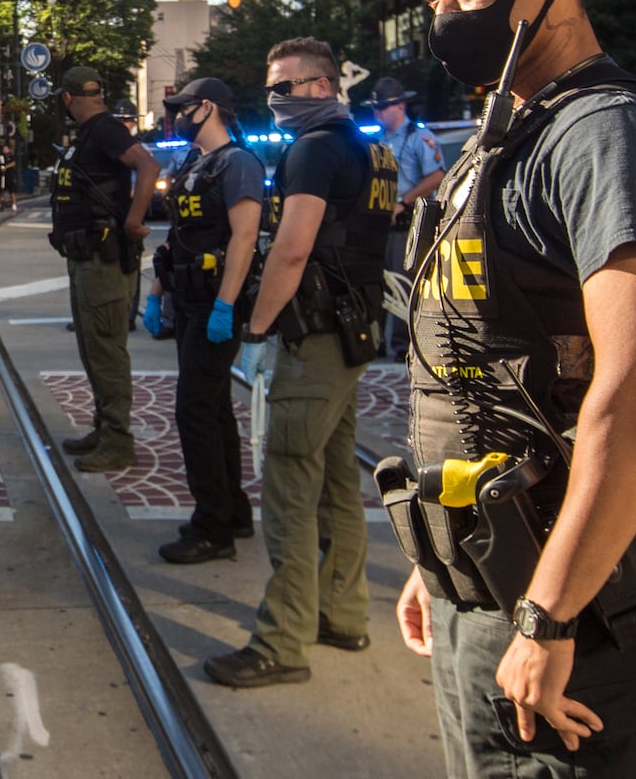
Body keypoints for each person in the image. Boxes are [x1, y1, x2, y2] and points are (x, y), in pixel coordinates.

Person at [390, 0, 636, 776]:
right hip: (485, 576)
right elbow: (474, 374)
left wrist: (547, 612)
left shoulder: (604, 132)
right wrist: (442, 560)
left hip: (581, 608)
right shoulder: (503, 136)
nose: (446, 14)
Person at [203, 38, 394, 687]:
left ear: (319, 87)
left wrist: (255, 329)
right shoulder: (373, 148)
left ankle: (280, 643)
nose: (274, 100)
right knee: (338, 480)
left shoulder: (312, 150)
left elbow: (291, 250)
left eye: (283, 87)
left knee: (288, 487)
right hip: (354, 331)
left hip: (311, 335)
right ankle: (342, 613)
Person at [143, 78, 263, 564]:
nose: (175, 115)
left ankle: (212, 526)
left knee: (194, 409)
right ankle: (232, 511)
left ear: (208, 107)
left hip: (215, 302)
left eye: (182, 107)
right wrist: (155, 294)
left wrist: (226, 306)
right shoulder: (191, 163)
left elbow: (245, 237)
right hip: (189, 300)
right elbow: (176, 236)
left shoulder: (238, 164)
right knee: (211, 407)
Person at [50, 66, 159, 473]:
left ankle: (118, 440)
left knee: (107, 353)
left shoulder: (105, 129)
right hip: (88, 260)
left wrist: (134, 221)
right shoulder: (94, 133)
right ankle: (104, 428)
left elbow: (148, 166)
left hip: (104, 260)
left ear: (66, 99)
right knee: (94, 350)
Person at [373, 77, 445, 358]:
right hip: (380, 224)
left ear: (400, 106)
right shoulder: (378, 140)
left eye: (383, 107)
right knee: (379, 285)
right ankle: (377, 343)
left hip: (407, 222)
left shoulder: (419, 136)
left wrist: (403, 202)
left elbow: (437, 175)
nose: (378, 113)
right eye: (376, 108)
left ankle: (403, 347)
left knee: (404, 287)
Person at [0, 141, 18, 212]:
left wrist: (6, 167)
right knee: (1, 190)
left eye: (6, 149)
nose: (5, 150)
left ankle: (13, 204)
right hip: (2, 176)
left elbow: (13, 163)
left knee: (12, 191)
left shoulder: (11, 156)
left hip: (9, 175)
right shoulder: (0, 157)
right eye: (3, 149)